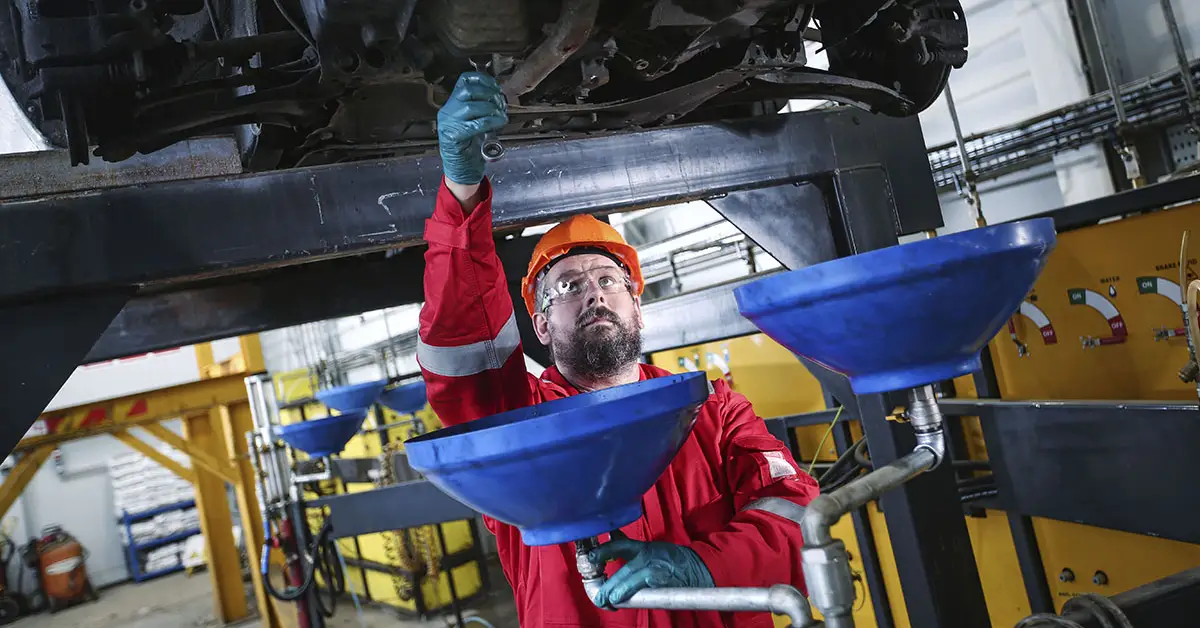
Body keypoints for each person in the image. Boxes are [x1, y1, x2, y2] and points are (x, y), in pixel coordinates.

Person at [417, 72, 819, 628]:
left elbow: (796, 512)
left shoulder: (714, 412)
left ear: (637, 304)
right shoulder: (516, 425)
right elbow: (466, 348)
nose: (594, 294)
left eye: (610, 279)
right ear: (539, 323)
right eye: (569, 287)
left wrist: (705, 565)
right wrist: (461, 197)